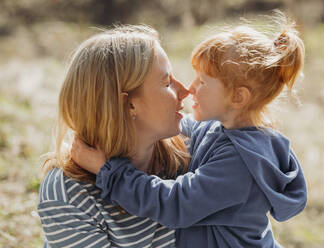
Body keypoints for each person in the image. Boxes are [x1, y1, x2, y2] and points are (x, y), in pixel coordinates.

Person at [72, 13, 308, 248]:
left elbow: (174, 204)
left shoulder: (240, 163)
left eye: (202, 81)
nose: (190, 88)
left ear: (238, 97)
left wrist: (109, 172)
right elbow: (182, 126)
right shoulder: (221, 129)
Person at [37, 25, 191, 247]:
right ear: (128, 105)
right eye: (167, 83)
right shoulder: (69, 192)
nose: (184, 90)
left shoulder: (188, 157)